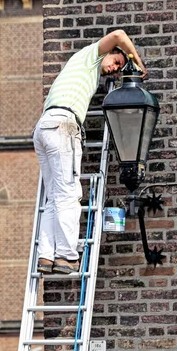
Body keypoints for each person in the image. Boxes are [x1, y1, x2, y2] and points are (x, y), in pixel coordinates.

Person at [33, 29, 147, 274]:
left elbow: (45, 105)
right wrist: (136, 61)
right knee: (69, 193)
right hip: (63, 124)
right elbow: (118, 34)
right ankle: (66, 255)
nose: (115, 68)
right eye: (116, 62)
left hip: (44, 127)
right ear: (109, 53)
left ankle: (46, 256)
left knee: (53, 197)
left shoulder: (76, 71)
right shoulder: (90, 56)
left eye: (119, 68)